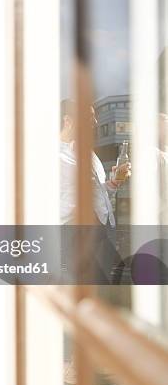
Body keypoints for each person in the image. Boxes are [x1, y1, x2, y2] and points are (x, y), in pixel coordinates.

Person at [59, 101, 130, 283]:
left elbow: (98, 193)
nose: (95, 121)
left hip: (100, 229)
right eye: (89, 117)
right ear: (68, 120)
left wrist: (115, 181)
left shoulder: (88, 153)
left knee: (110, 278)